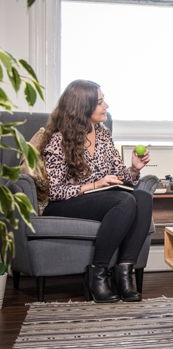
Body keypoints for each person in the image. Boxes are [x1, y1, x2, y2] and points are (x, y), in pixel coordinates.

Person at [39, 80, 152, 304]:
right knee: (124, 201)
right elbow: (54, 191)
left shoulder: (103, 135)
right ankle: (97, 274)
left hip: (105, 199)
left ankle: (124, 273)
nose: (106, 106)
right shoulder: (57, 139)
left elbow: (121, 180)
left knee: (142, 197)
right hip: (67, 202)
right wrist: (94, 185)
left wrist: (133, 169)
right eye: (100, 102)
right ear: (82, 107)